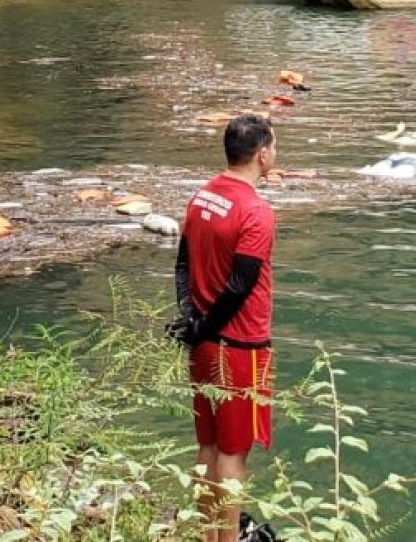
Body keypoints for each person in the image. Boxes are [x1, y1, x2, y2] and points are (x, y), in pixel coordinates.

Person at [169, 114, 278, 542]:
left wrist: (192, 321)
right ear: (262, 154)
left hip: (203, 341)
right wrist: (205, 325)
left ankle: (207, 536)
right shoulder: (256, 211)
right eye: (275, 146)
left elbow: (182, 263)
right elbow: (240, 286)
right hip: (241, 345)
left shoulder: (202, 196)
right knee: (234, 452)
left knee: (208, 445)